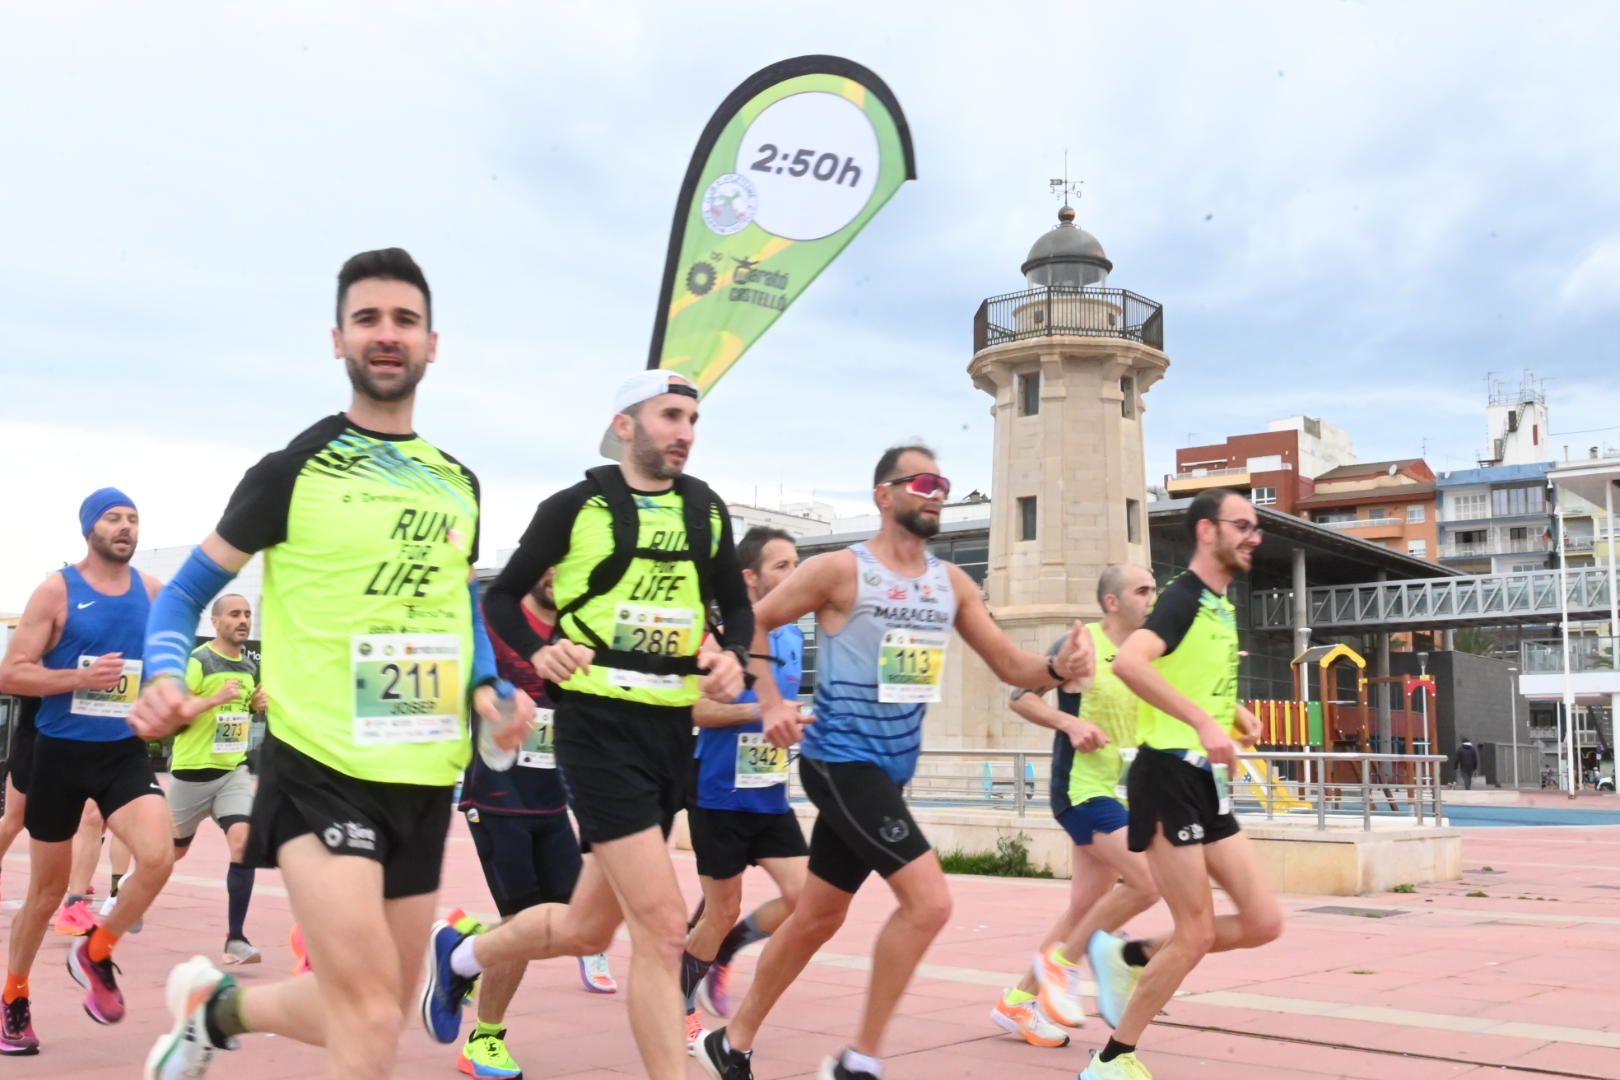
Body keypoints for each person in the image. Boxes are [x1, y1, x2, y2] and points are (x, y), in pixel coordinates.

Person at [133, 248, 534, 1080]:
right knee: (367, 1018)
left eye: (404, 320)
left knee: (376, 1002)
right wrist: (167, 676)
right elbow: (178, 599)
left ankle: (218, 1010)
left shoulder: (458, 483)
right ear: (338, 340)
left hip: (425, 776)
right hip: (320, 766)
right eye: (367, 319)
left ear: (432, 343)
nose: (386, 335)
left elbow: (455, 604)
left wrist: (492, 688)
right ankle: (218, 1011)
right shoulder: (291, 472)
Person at [696, 443, 1095, 1080]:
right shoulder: (838, 571)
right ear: (884, 494)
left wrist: (1054, 669)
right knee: (929, 903)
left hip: (890, 773)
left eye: (943, 483)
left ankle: (730, 1042)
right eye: (923, 481)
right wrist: (770, 701)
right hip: (838, 760)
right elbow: (755, 621)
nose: (935, 492)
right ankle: (860, 1061)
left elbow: (1008, 665)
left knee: (817, 917)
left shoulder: (951, 584)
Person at [423, 369, 751, 1080]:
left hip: (669, 735)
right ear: (626, 425)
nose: (686, 433)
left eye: (694, 419)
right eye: (671, 417)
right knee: (663, 929)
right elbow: (503, 596)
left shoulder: (708, 511)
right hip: (597, 729)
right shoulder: (574, 506)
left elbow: (736, 605)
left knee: (584, 927)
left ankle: (461, 955)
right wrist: (542, 649)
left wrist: (733, 660)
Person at [1080, 489, 1285, 1080]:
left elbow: (1187, 676)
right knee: (1194, 933)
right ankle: (1113, 1060)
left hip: (1204, 782)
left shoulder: (1221, 605)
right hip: (1166, 775)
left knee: (1263, 922)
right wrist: (1201, 721)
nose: (1253, 536)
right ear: (1206, 531)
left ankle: (1131, 955)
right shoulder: (1183, 599)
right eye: (1242, 525)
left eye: (1256, 527)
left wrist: (1232, 714)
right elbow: (1132, 663)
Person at [0, 490, 213, 1053]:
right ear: (89, 528)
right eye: (113, 517)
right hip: (58, 754)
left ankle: (96, 950)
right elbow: (11, 673)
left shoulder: (153, 594)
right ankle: (14, 997)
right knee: (45, 894)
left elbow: (167, 668)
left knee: (159, 856)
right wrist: (77, 679)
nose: (125, 526)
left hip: (120, 752)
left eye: (133, 518)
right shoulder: (57, 591)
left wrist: (177, 700)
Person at [453, 566, 617, 1080]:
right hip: (498, 796)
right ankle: (484, 1042)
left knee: (578, 927)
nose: (555, 572)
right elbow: (461, 684)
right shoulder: (493, 621)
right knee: (526, 922)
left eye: (566, 562)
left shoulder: (574, 630)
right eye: (546, 560)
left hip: (551, 801)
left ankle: (466, 947)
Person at [995, 564, 1160, 1046]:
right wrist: (1069, 726)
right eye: (1143, 590)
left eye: (1154, 588)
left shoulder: (1148, 650)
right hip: (1081, 789)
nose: (1153, 596)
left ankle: (1018, 1002)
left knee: (1083, 910)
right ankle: (1061, 967)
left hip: (1123, 788)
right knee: (1149, 882)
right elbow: (1020, 696)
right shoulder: (1081, 643)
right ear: (1113, 602)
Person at [682, 527, 810, 1049]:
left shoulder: (796, 633)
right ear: (750, 578)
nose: (795, 574)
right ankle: (678, 1004)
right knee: (721, 908)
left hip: (770, 792)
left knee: (805, 898)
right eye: (782, 566)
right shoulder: (718, 636)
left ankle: (727, 948)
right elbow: (696, 709)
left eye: (797, 563)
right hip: (719, 793)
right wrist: (762, 710)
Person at [163, 592, 267, 965]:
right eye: (235, 614)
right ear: (216, 621)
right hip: (191, 776)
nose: (243, 620)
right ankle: (125, 895)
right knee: (165, 856)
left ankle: (235, 938)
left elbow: (239, 715)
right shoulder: (198, 662)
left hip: (232, 772)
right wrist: (213, 698)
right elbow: (176, 712)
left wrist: (257, 706)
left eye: (248, 615)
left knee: (243, 842)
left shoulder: (250, 668)